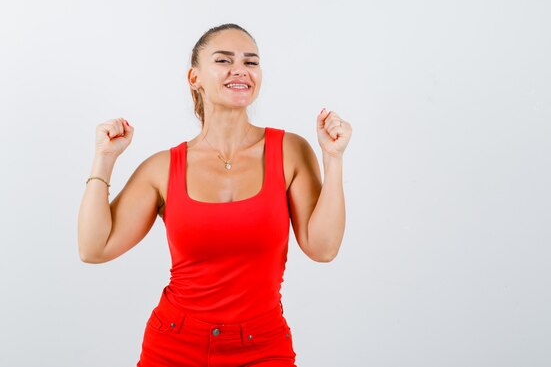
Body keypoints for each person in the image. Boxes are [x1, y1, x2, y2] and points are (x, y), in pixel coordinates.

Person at [77, 23, 352, 366]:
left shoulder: (291, 151)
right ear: (195, 78)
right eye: (224, 60)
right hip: (174, 344)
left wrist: (333, 159)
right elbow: (94, 248)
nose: (240, 70)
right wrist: (103, 160)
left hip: (263, 347)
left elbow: (323, 248)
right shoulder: (163, 168)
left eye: (251, 62)